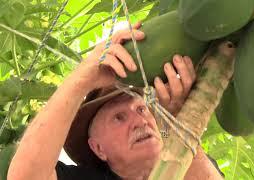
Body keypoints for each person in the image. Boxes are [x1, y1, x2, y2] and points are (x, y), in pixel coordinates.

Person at [7, 22, 223, 180]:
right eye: (119, 117)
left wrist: (174, 125)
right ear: (98, 148)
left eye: (141, 109)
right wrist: (82, 78)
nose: (140, 122)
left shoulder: (191, 163)